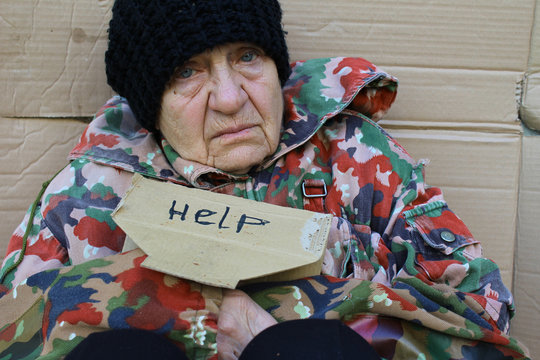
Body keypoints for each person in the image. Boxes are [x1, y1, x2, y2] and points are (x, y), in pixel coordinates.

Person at [0, 0, 530, 359]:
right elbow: (12, 334)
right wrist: (198, 314)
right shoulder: (93, 188)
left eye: (247, 57)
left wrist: (283, 323)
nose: (230, 98)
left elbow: (485, 315)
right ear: (150, 107)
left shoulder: (351, 153)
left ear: (277, 65)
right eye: (188, 71)